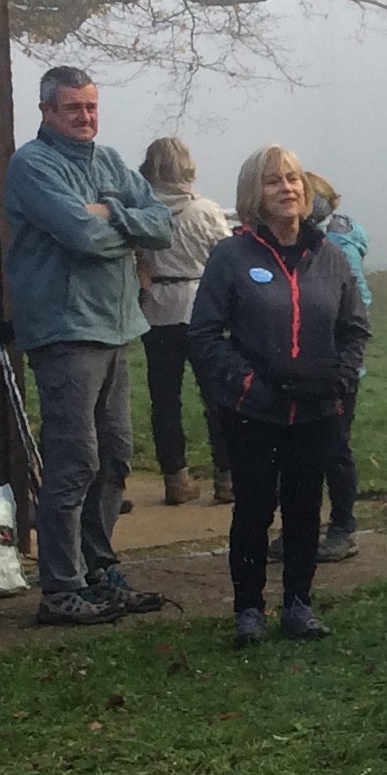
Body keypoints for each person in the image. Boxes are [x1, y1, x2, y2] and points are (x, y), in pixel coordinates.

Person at [4, 65, 175, 626]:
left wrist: (112, 213)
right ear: (47, 111)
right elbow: (81, 236)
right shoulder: (33, 165)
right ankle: (61, 588)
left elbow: (162, 227)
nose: (85, 118)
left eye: (92, 107)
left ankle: (100, 570)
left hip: (119, 325)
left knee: (115, 457)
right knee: (75, 460)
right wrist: (118, 226)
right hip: (65, 330)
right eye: (73, 108)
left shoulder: (109, 162)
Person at [188, 145, 368, 647]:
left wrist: (342, 379)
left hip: (317, 410)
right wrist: (248, 385)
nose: (287, 189)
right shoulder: (232, 256)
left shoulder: (331, 257)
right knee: (253, 510)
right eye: (274, 182)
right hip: (253, 412)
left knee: (306, 508)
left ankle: (298, 605)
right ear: (255, 195)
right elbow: (204, 334)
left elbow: (355, 330)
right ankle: (248, 608)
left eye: (293, 179)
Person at [133, 137, 232, 506]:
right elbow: (224, 258)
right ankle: (227, 477)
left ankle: (175, 479)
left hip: (157, 311)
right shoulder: (205, 211)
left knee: (165, 400)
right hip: (200, 309)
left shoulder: (142, 212)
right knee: (216, 396)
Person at [306, 174, 373, 562]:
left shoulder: (339, 246)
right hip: (304, 367)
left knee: (334, 448)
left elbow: (359, 299)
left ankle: (344, 526)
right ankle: (306, 525)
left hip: (337, 370)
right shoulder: (311, 238)